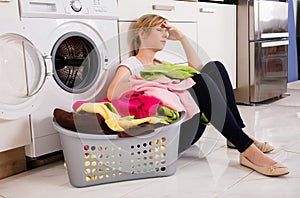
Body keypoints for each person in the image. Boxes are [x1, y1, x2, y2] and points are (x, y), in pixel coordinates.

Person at [107, 14, 289, 176]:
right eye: (160, 29)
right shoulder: (132, 64)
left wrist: (182, 38)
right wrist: (146, 77)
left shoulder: (161, 63)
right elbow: (112, 93)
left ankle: (237, 135)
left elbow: (200, 71)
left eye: (167, 31)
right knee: (199, 79)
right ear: (142, 34)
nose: (166, 35)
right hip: (170, 137)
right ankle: (247, 149)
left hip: (190, 127)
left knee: (215, 67)